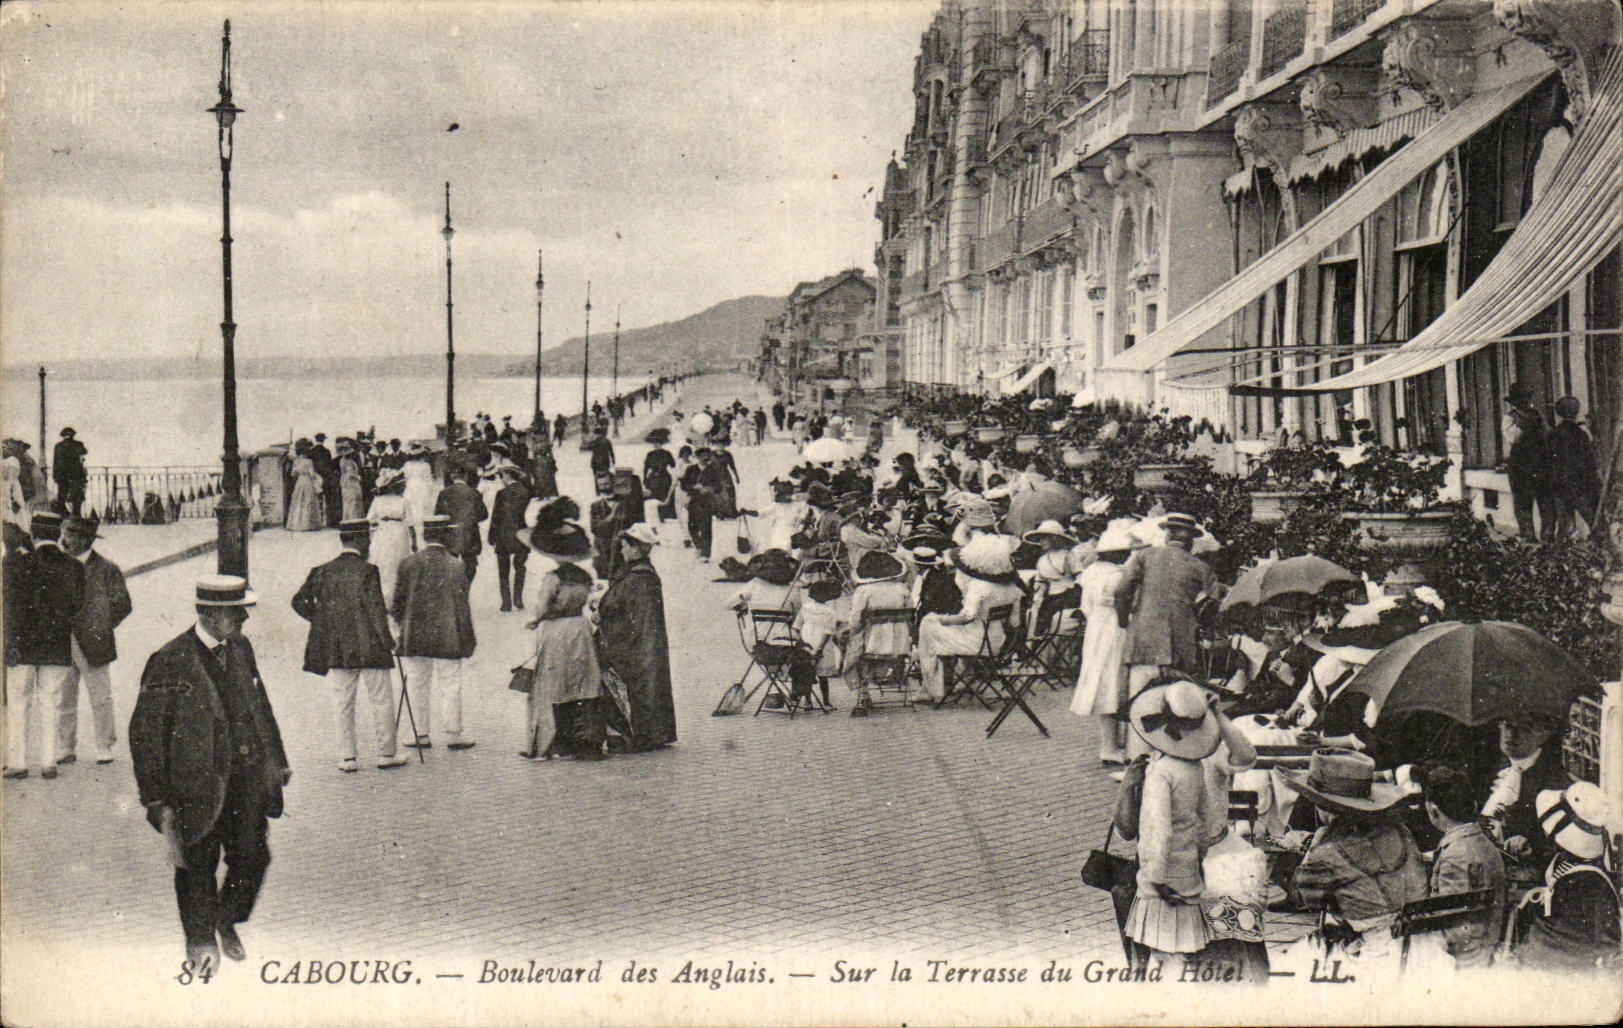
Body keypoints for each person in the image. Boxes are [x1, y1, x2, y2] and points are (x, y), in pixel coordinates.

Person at [128, 575, 290, 968]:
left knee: (253, 858)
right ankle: (200, 945)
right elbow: (145, 736)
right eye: (238, 613)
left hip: (246, 781)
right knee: (197, 867)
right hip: (194, 788)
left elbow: (259, 706)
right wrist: (157, 800)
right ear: (212, 615)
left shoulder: (240, 648)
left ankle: (225, 917)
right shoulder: (169, 660)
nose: (245, 619)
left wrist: (277, 759)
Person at [1121, 679, 1222, 974]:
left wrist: (1155, 877)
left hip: (1161, 879)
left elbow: (1158, 830)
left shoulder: (1161, 772)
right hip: (1188, 871)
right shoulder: (1194, 767)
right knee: (1182, 949)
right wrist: (1198, 857)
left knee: (1162, 952)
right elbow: (1205, 820)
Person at [292, 520, 406, 773]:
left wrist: (324, 620)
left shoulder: (321, 571)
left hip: (337, 648)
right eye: (367, 538)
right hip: (370, 647)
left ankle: (347, 758)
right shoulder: (368, 571)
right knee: (381, 699)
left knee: (342, 703)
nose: (369, 543)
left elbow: (298, 601)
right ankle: (386, 753)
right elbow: (376, 612)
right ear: (360, 540)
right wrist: (389, 642)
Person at [1285, 748, 1428, 930]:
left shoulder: (1327, 850)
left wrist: (1312, 847)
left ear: (1324, 805)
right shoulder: (1399, 831)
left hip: (1369, 946)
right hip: (1418, 938)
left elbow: (1303, 899)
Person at [1114, 513, 1216, 756]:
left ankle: (1137, 760)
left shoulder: (1144, 557)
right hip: (1181, 645)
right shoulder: (1201, 567)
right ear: (1191, 539)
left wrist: (1124, 619)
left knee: (1140, 701)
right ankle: (1167, 756)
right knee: (1173, 702)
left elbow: (1121, 591)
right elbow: (1212, 606)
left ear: (1167, 533)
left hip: (1143, 641)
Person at [1507, 782, 1621, 972]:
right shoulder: (1565, 859)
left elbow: (1610, 948)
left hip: (1562, 969)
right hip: (1543, 954)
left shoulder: (1591, 885)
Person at [4, 511, 84, 779]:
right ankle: (49, 762)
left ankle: (18, 763)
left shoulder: (15, 565)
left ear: (34, 535)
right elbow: (77, 606)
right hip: (56, 646)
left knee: (18, 703)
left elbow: (9, 609)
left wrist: (10, 643)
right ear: (58, 535)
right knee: (51, 702)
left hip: (21, 646)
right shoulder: (74, 567)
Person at [391, 515, 477, 751]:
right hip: (447, 635)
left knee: (417, 682)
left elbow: (396, 604)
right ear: (447, 535)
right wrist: (467, 639)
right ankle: (454, 733)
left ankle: (420, 733)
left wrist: (401, 628)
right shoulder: (456, 566)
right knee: (451, 683)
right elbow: (462, 606)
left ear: (425, 535)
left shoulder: (408, 563)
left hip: (414, 635)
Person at [57, 516, 131, 766]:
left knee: (100, 696)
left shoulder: (107, 568)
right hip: (63, 640)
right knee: (64, 695)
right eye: (66, 534)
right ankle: (66, 746)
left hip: (94, 641)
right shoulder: (59, 565)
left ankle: (104, 744)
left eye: (73, 535)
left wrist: (101, 625)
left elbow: (122, 604)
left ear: (87, 539)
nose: (67, 540)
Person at [1417, 764, 1506, 969]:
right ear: (1474, 806)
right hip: (1487, 944)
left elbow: (1456, 929)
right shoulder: (1482, 842)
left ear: (1433, 810)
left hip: (1466, 962)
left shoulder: (1454, 857)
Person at [915, 535, 1024, 703]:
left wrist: (944, 620)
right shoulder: (1010, 587)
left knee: (927, 625)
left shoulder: (978, 587)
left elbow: (967, 617)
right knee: (938, 627)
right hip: (997, 642)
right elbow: (1014, 622)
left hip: (977, 643)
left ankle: (934, 688)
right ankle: (964, 679)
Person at [597, 524, 675, 752]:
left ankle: (638, 734)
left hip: (635, 645)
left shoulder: (637, 578)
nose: (621, 551)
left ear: (635, 548)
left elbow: (618, 608)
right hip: (645, 642)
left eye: (624, 547)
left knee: (637, 685)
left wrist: (601, 614)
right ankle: (652, 732)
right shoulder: (642, 575)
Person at [520, 560, 605, 761]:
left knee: (552, 685)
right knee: (583, 684)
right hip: (580, 629)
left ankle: (551, 742)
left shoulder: (553, 578)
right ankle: (583, 739)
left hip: (557, 630)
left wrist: (534, 622)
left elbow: (541, 608)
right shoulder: (584, 576)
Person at [1070, 520, 1138, 765]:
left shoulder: (1090, 573)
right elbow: (1127, 606)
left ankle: (1109, 744)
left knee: (1104, 681)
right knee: (1115, 681)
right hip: (1117, 629)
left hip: (1097, 628)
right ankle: (1114, 747)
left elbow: (1086, 606)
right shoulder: (1121, 576)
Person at [1481, 712, 1571, 876]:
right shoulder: (1490, 768)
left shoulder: (1555, 781)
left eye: (1523, 728)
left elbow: (1562, 843)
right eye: (1507, 725)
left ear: (1542, 734)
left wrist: (1531, 845)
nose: (1511, 734)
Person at [844, 551, 912, 716]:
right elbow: (911, 613)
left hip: (873, 644)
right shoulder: (902, 589)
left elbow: (855, 621)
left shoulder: (864, 591)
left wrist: (853, 631)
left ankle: (863, 693)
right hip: (900, 644)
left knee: (849, 641)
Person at [1503, 382, 1553, 542]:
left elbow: (1547, 432)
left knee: (1545, 500)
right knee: (1523, 502)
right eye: (1521, 399)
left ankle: (1547, 535)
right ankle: (1528, 536)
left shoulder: (1535, 415)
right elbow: (1514, 437)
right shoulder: (1509, 418)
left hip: (1539, 462)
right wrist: (1528, 428)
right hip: (1521, 465)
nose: (1525, 401)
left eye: (1526, 398)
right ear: (1515, 401)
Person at [1548, 395, 1601, 540]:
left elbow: (1549, 461)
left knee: (1565, 527)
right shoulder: (1581, 434)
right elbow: (1589, 461)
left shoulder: (1554, 434)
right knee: (1594, 521)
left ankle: (1562, 558)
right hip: (1579, 484)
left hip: (1560, 484)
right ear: (1575, 412)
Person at [488, 463, 533, 612]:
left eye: (502, 475)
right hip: (521, 533)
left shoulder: (502, 493)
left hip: (503, 534)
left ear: (509, 475)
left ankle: (506, 602)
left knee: (503, 569)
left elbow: (495, 516)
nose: (501, 479)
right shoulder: (525, 492)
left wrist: (491, 536)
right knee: (520, 567)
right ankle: (518, 599)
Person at [365, 467, 414, 604]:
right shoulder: (403, 501)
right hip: (398, 532)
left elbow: (369, 520)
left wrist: (373, 532)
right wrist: (414, 541)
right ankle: (396, 598)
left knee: (384, 564)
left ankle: (385, 598)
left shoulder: (378, 501)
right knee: (397, 563)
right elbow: (410, 523)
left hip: (383, 531)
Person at [435, 467, 489, 588]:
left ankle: (453, 594)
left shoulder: (444, 493)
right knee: (470, 566)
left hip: (450, 535)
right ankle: (464, 591)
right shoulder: (473, 493)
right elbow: (483, 515)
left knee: (449, 567)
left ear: (451, 477)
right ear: (466, 476)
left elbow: (438, 516)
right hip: (470, 535)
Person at [284, 440, 325, 532]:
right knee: (308, 500)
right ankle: (308, 524)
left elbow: (293, 474)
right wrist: (318, 479)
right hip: (307, 481)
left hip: (299, 481)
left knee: (298, 500)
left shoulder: (296, 461)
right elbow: (312, 474)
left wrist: (298, 474)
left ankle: (296, 523)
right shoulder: (309, 461)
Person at [52, 427, 88, 517]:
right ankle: (76, 518)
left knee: (62, 499)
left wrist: (55, 476)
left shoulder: (58, 446)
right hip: (76, 476)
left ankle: (63, 518)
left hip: (62, 477)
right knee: (76, 500)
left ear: (63, 436)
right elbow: (84, 452)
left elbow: (55, 462)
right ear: (73, 435)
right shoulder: (78, 444)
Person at [310, 433, 340, 529]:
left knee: (315, 500)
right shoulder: (326, 451)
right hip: (326, 477)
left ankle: (316, 521)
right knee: (328, 499)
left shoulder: (311, 451)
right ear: (323, 440)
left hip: (314, 478)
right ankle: (328, 521)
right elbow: (329, 465)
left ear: (316, 440)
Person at [338, 442, 365, 522]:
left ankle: (351, 519)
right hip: (350, 482)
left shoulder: (346, 460)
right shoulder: (346, 461)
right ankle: (353, 519)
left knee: (350, 501)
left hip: (347, 482)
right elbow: (350, 473)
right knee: (353, 500)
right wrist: (358, 477)